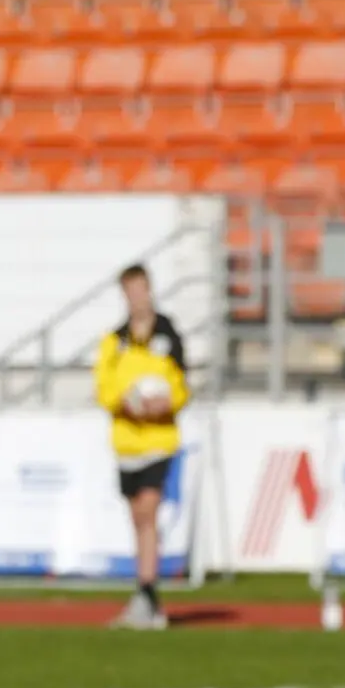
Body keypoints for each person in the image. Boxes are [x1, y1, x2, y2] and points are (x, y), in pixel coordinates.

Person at [94, 264, 188, 632]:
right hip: (127, 442)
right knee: (137, 517)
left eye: (141, 289)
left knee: (148, 511)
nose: (137, 297)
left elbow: (181, 385)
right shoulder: (115, 341)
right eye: (130, 291)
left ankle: (147, 592)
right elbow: (103, 387)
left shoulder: (168, 335)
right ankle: (145, 594)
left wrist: (166, 404)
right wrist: (125, 404)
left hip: (159, 441)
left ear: (150, 290)